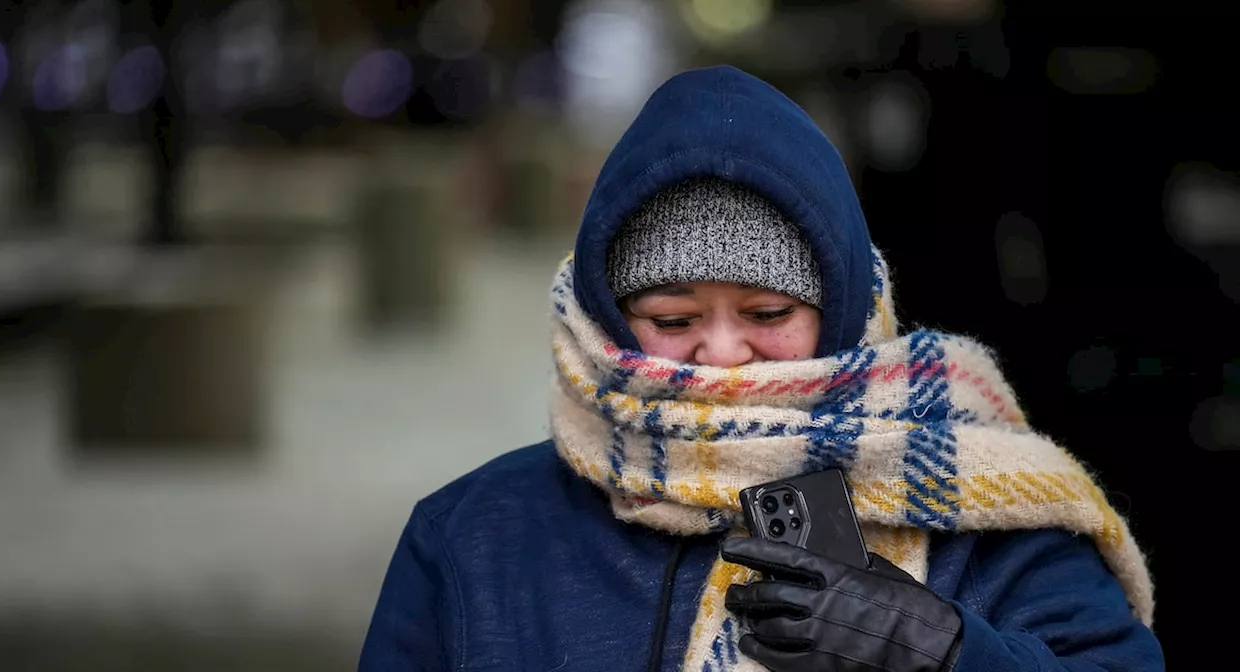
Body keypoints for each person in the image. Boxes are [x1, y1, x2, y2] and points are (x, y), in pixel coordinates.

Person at [359, 66, 1164, 672]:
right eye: (672, 319)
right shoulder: (472, 537)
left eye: (768, 314)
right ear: (607, 317)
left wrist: (945, 652)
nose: (721, 351)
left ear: (842, 309)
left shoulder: (986, 514)